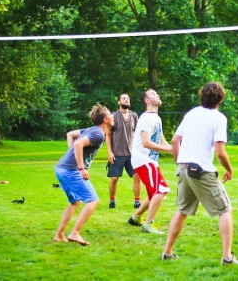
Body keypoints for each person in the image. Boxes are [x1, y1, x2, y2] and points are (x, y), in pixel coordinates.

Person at [161, 82, 238, 266]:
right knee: (225, 210)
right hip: (202, 172)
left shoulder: (191, 114)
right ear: (220, 99)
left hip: (184, 169)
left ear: (202, 96)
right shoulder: (219, 118)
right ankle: (227, 258)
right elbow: (221, 152)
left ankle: (167, 252)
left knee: (182, 210)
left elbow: (175, 141)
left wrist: (179, 161)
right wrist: (229, 170)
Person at [53, 104, 113, 246]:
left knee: (75, 202)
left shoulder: (92, 130)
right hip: (70, 170)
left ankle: (59, 235)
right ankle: (75, 233)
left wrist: (73, 154)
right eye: (110, 114)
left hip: (61, 168)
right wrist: (81, 168)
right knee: (93, 201)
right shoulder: (98, 134)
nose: (113, 116)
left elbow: (71, 135)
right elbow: (78, 144)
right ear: (105, 119)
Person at [127, 89, 172, 234]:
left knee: (155, 193)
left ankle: (135, 217)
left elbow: (160, 139)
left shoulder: (157, 118)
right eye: (153, 94)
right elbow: (146, 143)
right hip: (143, 159)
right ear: (147, 101)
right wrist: (169, 150)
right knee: (161, 190)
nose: (158, 95)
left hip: (150, 161)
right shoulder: (146, 117)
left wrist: (174, 149)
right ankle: (148, 224)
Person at [105, 93, 141, 209]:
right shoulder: (114, 116)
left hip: (132, 153)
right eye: (124, 98)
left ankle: (137, 202)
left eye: (128, 98)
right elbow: (108, 135)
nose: (126, 100)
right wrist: (109, 152)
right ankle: (112, 201)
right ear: (119, 102)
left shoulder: (134, 115)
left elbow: (138, 134)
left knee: (137, 176)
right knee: (114, 178)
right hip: (117, 153)